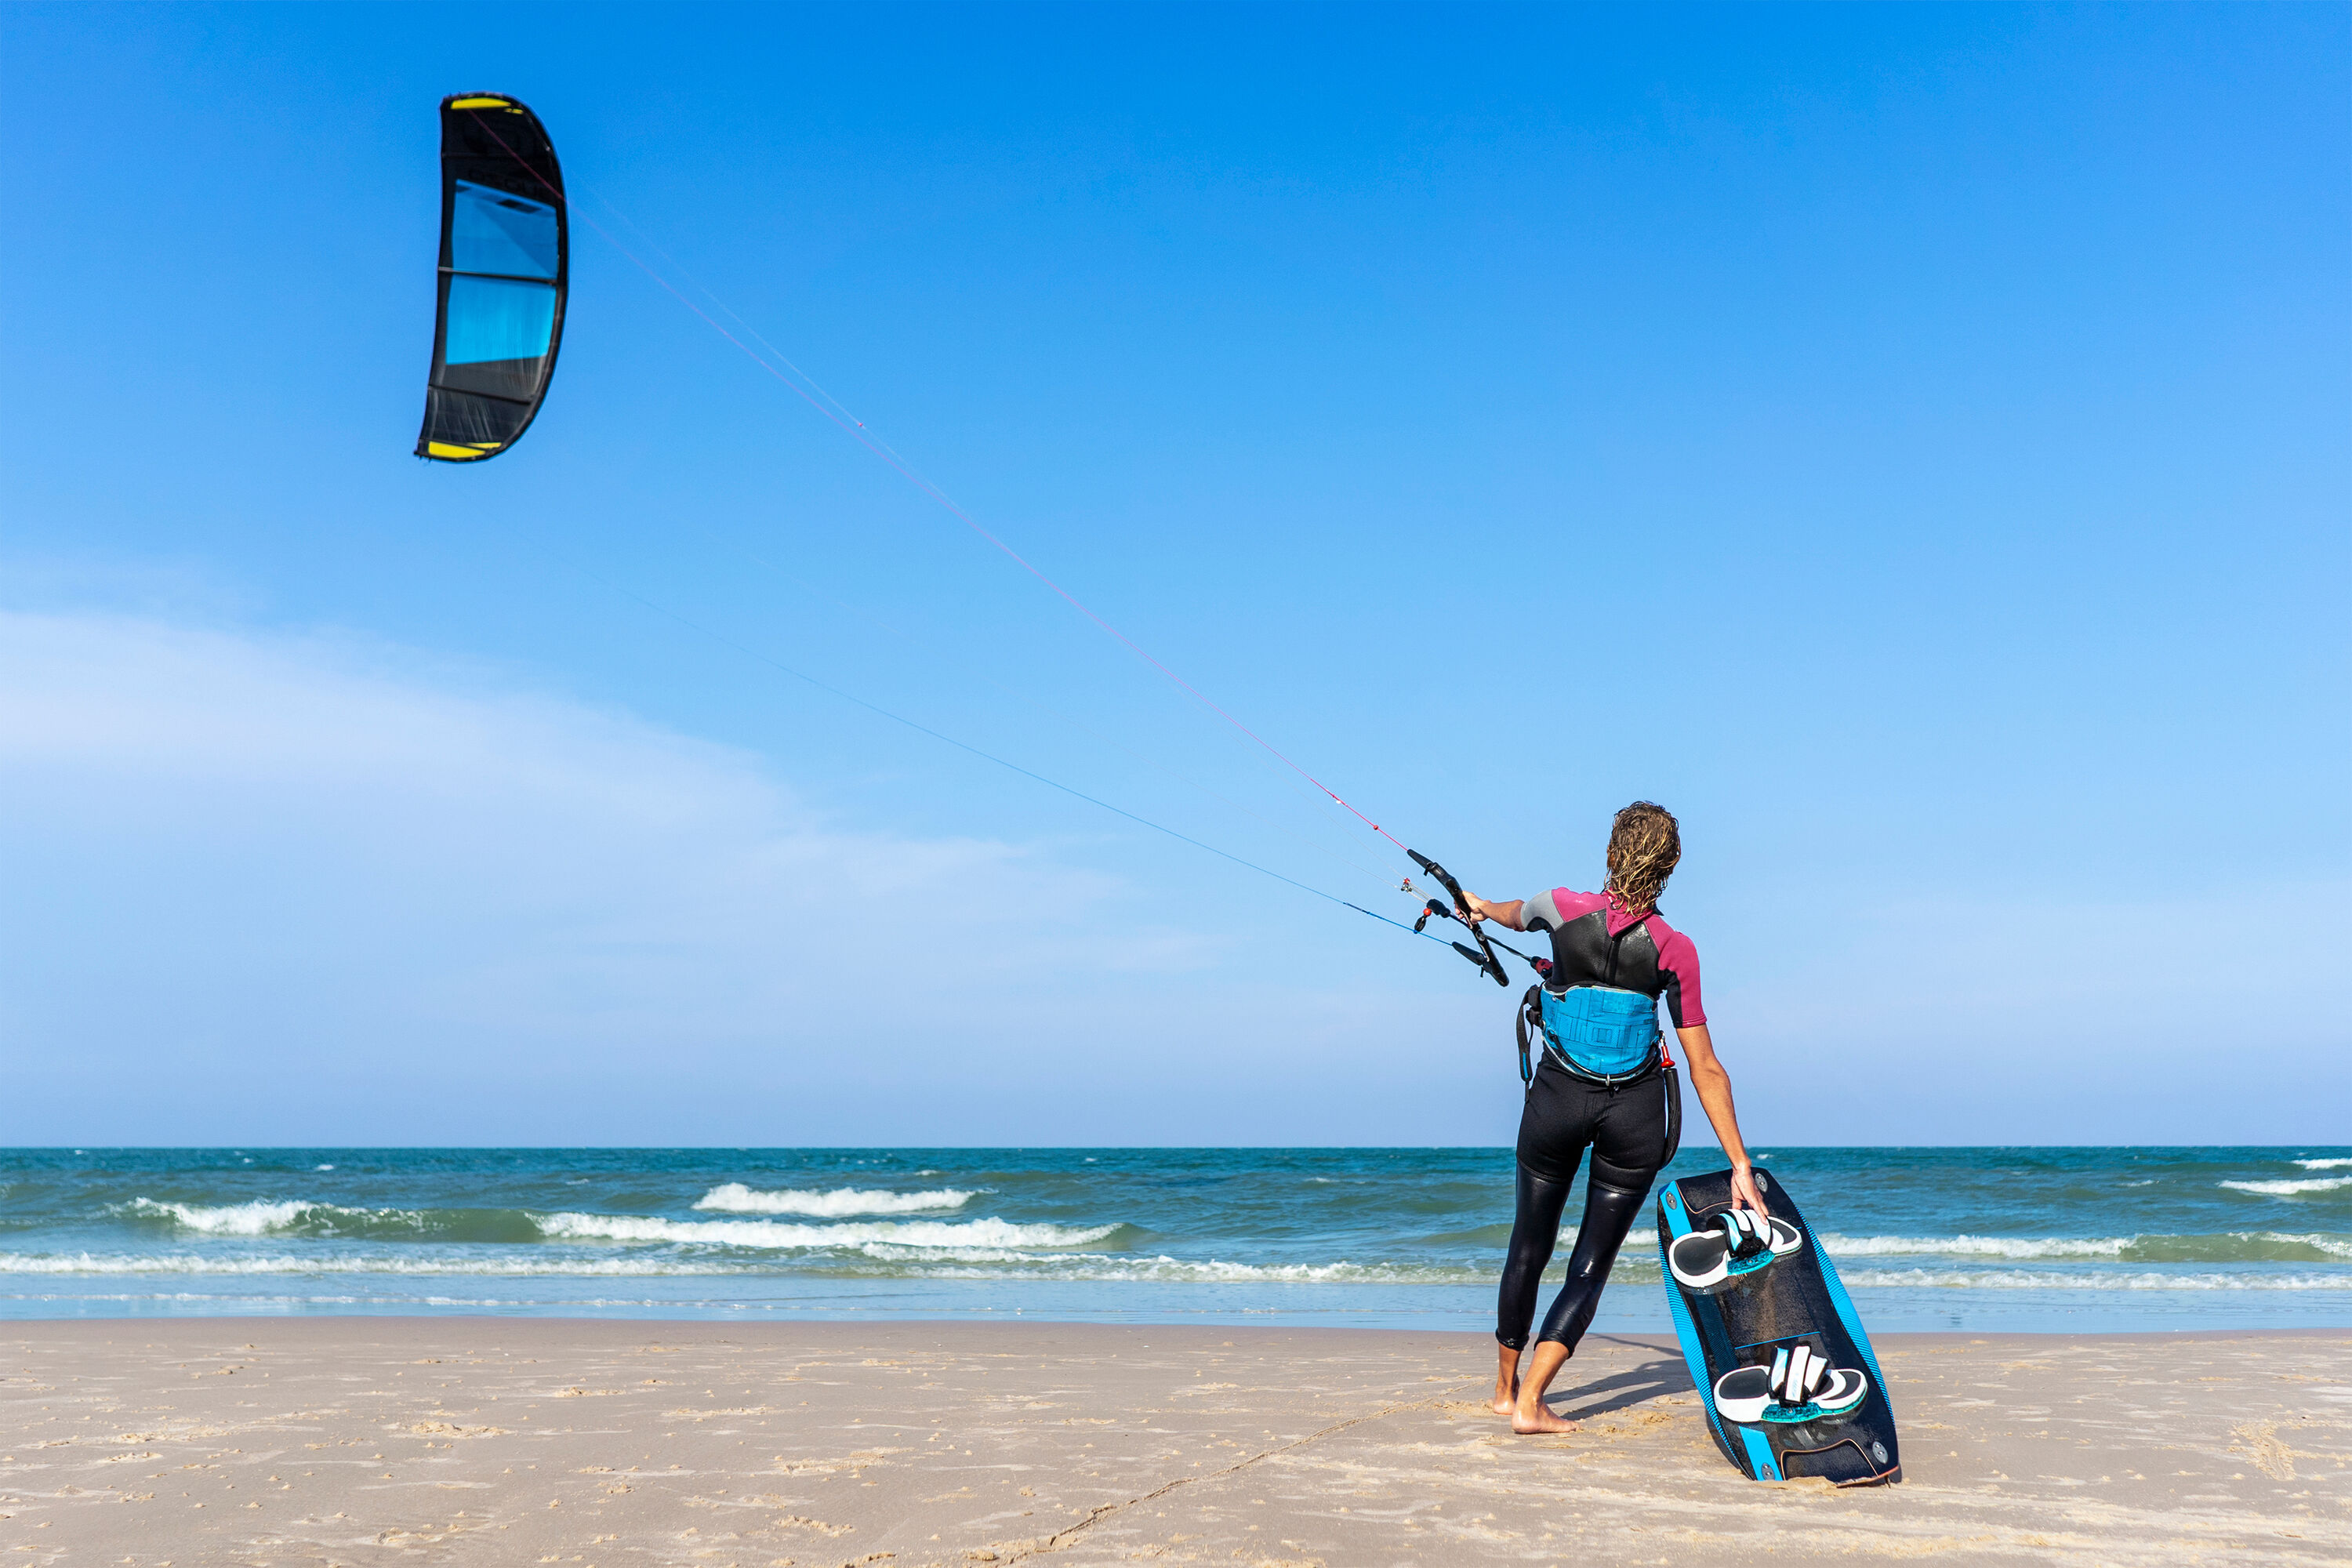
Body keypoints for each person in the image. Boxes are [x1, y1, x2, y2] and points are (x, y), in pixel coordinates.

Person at [1458, 800, 1767, 1435]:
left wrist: (1479, 906)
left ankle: (1503, 1390)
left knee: (1528, 1245)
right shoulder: (1675, 950)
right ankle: (1533, 1401)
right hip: (1633, 1113)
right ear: (1670, 867)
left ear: (1610, 852)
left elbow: (1514, 916)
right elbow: (1705, 1066)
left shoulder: (1559, 906)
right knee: (1590, 1264)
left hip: (1556, 1102)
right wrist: (1740, 1163)